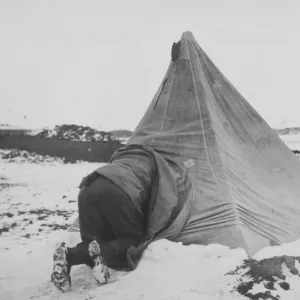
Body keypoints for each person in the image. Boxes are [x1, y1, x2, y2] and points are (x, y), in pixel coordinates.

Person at [51, 148, 155, 293]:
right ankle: (102, 254)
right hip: (119, 189)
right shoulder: (154, 165)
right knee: (131, 241)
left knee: (91, 241)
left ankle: (69, 254)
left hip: (87, 188)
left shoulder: (122, 158)